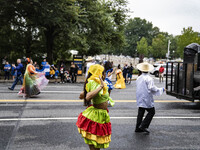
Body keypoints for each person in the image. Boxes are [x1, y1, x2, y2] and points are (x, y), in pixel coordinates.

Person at [76, 64, 113, 150]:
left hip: (101, 114)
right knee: (94, 143)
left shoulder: (96, 82)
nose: (104, 74)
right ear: (99, 73)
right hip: (96, 116)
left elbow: (83, 95)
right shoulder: (94, 82)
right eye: (103, 73)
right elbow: (88, 96)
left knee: (97, 143)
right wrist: (100, 87)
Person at [135, 62, 165, 133]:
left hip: (140, 97)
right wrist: (161, 89)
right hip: (146, 97)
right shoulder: (149, 78)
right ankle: (143, 125)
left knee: (141, 112)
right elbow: (152, 88)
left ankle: (138, 127)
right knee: (152, 111)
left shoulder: (139, 78)